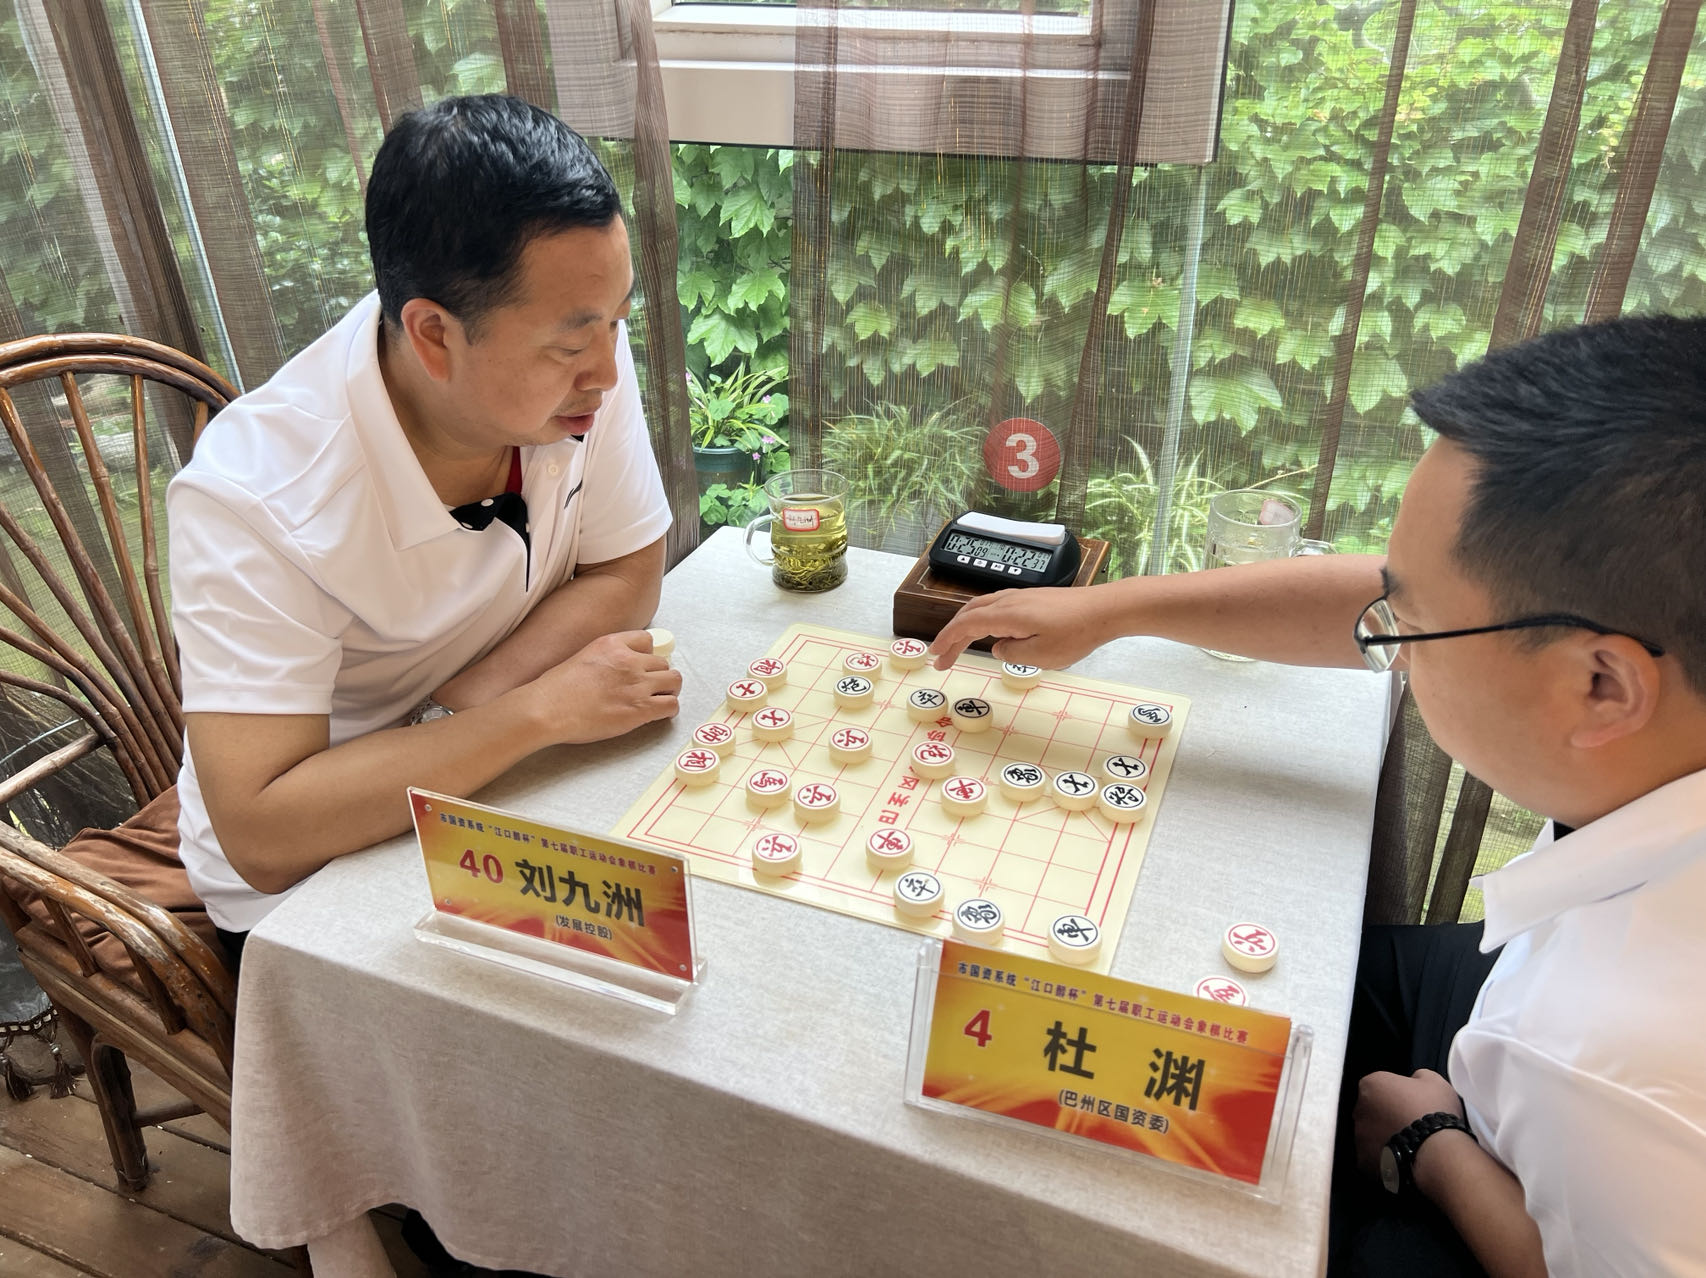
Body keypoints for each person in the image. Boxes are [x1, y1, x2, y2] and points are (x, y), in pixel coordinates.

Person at [931, 314, 1706, 1278]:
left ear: (1602, 686)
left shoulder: (1625, 1069)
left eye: (1410, 626)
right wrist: (1111, 608)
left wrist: (1433, 1148)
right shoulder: (1661, 724)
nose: (1385, 638)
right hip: (1513, 1000)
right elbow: (1379, 595)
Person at [167, 95, 681, 960]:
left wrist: (468, 707)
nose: (605, 367)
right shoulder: (254, 498)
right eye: (569, 345)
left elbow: (629, 570)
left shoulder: (582, 365)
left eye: (617, 321)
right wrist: (537, 712)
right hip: (309, 884)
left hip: (483, 776)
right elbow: (264, 832)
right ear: (434, 335)